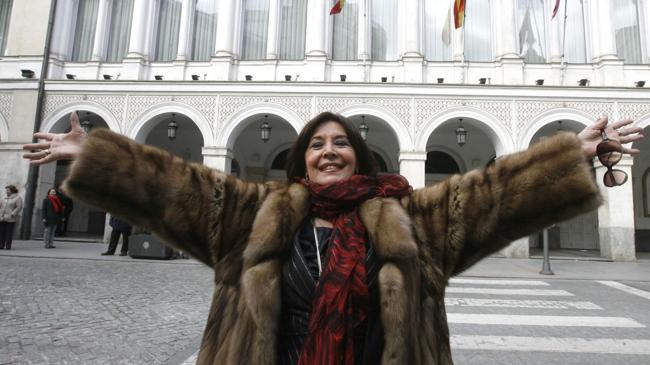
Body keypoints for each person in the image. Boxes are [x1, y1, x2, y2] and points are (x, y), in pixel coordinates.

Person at [22, 111, 643, 365]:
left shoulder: (409, 220)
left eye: (339, 142)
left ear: (358, 155)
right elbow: (173, 188)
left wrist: (574, 156)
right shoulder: (254, 215)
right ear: (301, 162)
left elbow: (491, 199)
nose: (327, 151)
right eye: (316, 144)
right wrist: (95, 153)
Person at [0, 185, 23, 250]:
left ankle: (8, 246)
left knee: (8, 233)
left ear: (12, 190)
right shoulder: (4, 198)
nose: (6, 191)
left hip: (11, 218)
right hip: (2, 218)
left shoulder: (18, 198)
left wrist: (13, 214)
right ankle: (1, 245)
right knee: (1, 232)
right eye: (6, 190)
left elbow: (19, 207)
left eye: (8, 190)